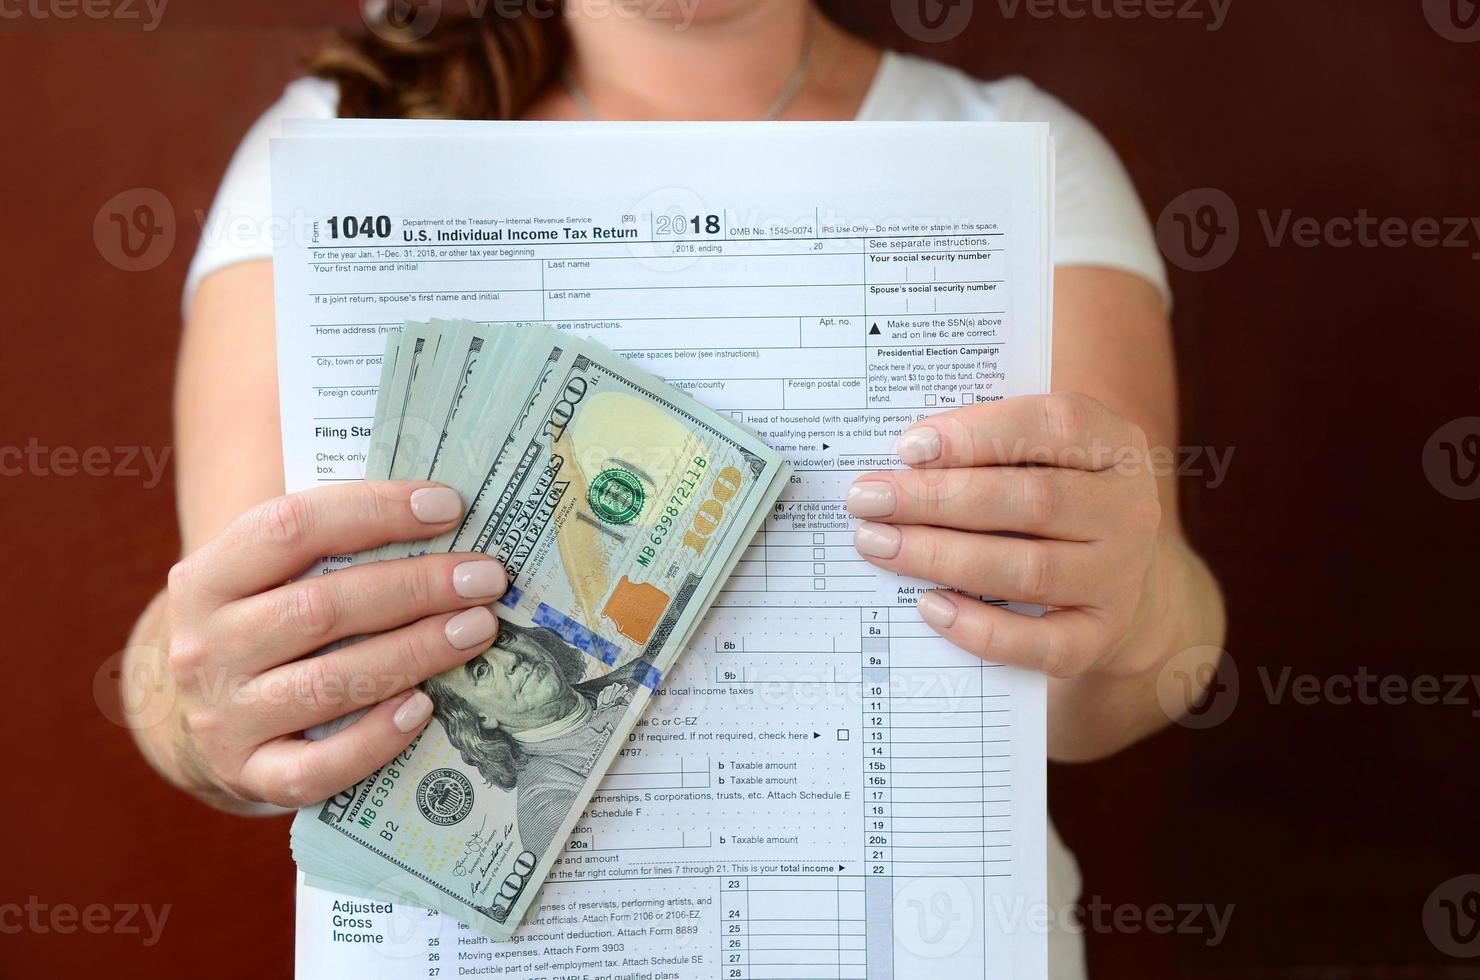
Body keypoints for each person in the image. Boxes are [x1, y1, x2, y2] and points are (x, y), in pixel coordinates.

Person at [121, 2, 1227, 974]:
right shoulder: (333, 139)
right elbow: (199, 645)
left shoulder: (1020, 153)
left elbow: (1109, 686)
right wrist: (202, 707)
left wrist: (1132, 605)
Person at [423, 619, 645, 856]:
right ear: (480, 717)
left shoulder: (642, 671)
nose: (511, 659)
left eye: (502, 639)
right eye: (481, 671)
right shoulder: (547, 804)